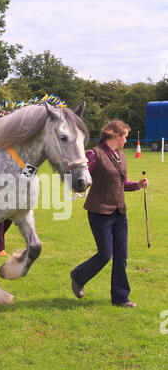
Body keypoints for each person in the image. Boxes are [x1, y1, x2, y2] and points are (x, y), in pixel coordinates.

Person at [70, 119, 148, 308]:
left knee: (121, 256)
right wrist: (76, 185)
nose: (125, 142)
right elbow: (77, 175)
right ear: (115, 135)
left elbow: (123, 183)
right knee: (105, 254)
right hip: (99, 212)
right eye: (124, 138)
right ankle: (78, 276)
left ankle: (121, 298)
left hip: (120, 212)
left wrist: (137, 185)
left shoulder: (121, 155)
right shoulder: (93, 154)